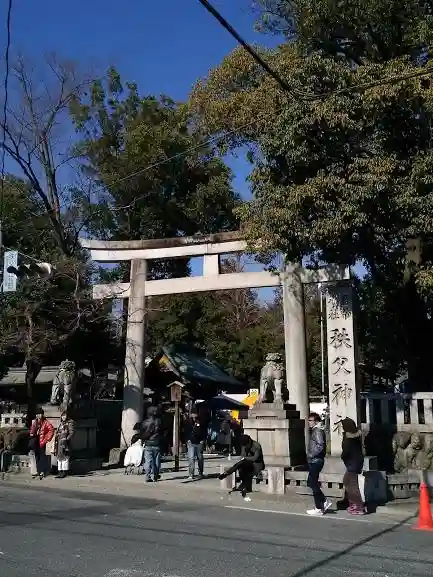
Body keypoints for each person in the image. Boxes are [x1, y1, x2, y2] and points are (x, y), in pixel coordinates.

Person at [306, 412, 331, 516]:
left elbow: (320, 445)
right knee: (311, 482)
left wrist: (312, 454)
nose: (309, 422)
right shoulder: (316, 430)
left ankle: (320, 507)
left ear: (316, 421)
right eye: (308, 420)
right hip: (315, 460)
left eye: (310, 420)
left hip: (316, 460)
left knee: (312, 482)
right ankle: (323, 502)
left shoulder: (317, 430)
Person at [341, 417, 365, 515]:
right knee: (348, 481)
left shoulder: (348, 437)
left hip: (352, 462)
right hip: (357, 461)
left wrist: (343, 456)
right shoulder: (356, 435)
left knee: (351, 484)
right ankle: (353, 504)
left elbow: (346, 451)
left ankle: (358, 506)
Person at [29, 408, 54, 479]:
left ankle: (42, 472)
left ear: (42, 415)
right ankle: (38, 471)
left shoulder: (45, 422)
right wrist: (32, 433)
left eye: (39, 414)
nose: (38, 415)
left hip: (41, 442)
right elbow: (31, 430)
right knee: (37, 457)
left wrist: (47, 439)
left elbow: (51, 430)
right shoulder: (35, 422)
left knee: (42, 457)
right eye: (37, 414)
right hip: (35, 442)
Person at [142, 405, 162, 483]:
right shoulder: (159, 421)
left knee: (148, 461)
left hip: (148, 444)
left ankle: (147, 476)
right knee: (157, 461)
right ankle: (156, 475)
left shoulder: (145, 423)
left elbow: (142, 432)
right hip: (156, 443)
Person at [53, 410, 75, 478]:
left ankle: (64, 472)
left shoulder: (70, 423)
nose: (63, 417)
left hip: (65, 443)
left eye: (65, 416)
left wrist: (66, 439)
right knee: (59, 457)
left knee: (65, 457)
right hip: (59, 442)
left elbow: (71, 432)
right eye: (62, 415)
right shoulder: (61, 423)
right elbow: (57, 432)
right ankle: (59, 471)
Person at [185, 412, 206, 479]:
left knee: (200, 458)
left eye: (195, 417)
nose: (194, 418)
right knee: (191, 458)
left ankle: (200, 473)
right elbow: (186, 432)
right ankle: (191, 474)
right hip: (191, 443)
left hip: (199, 442)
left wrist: (203, 440)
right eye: (192, 417)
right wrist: (187, 440)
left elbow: (204, 432)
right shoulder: (188, 423)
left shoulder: (201, 423)